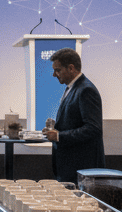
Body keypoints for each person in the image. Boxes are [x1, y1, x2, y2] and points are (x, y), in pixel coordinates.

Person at [44, 47, 105, 184]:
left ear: (71, 68)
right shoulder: (73, 87)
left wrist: (59, 136)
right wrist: (54, 129)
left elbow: (93, 129)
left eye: (57, 70)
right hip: (71, 167)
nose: (54, 74)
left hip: (81, 169)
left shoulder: (86, 90)